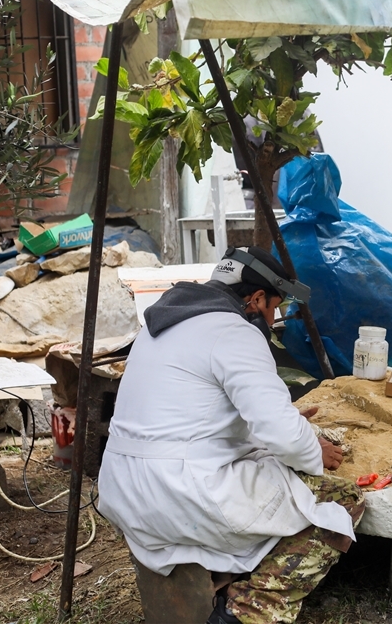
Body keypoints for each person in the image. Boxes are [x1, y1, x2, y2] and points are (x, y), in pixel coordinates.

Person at [98, 246, 364, 624]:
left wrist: (281, 424)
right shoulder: (234, 331)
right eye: (274, 307)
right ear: (255, 299)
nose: (272, 318)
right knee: (341, 500)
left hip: (124, 490)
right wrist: (308, 446)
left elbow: (193, 414)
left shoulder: (164, 321)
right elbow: (284, 437)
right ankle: (249, 610)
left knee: (266, 475)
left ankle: (219, 580)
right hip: (183, 492)